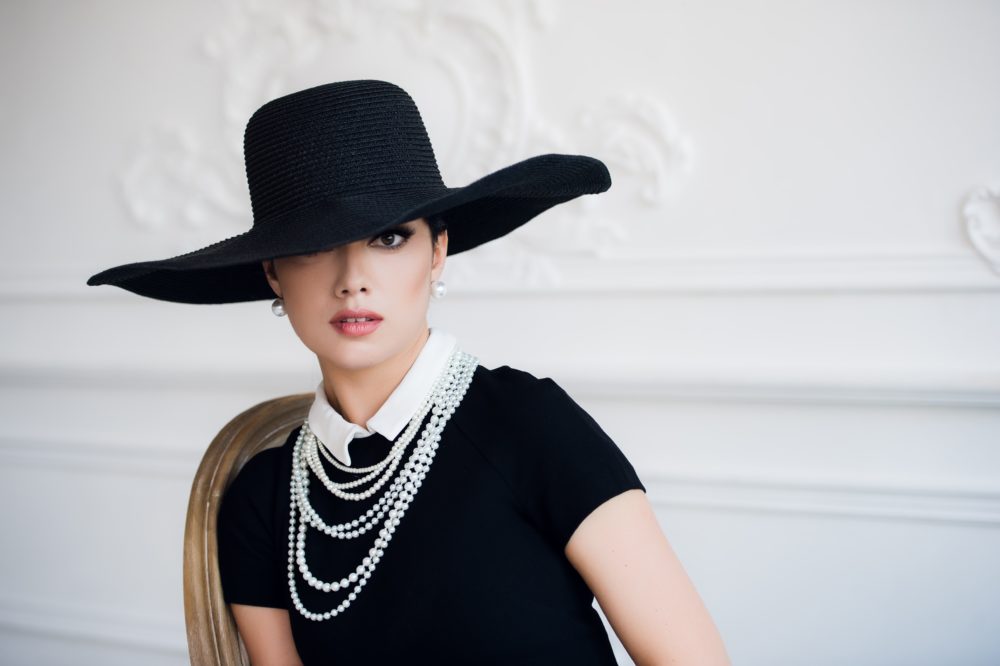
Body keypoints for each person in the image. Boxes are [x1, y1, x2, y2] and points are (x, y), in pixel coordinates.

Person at [87, 80, 730, 665]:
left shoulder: (528, 425)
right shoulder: (263, 501)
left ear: (438, 252)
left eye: (389, 238)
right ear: (273, 273)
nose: (352, 280)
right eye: (313, 247)